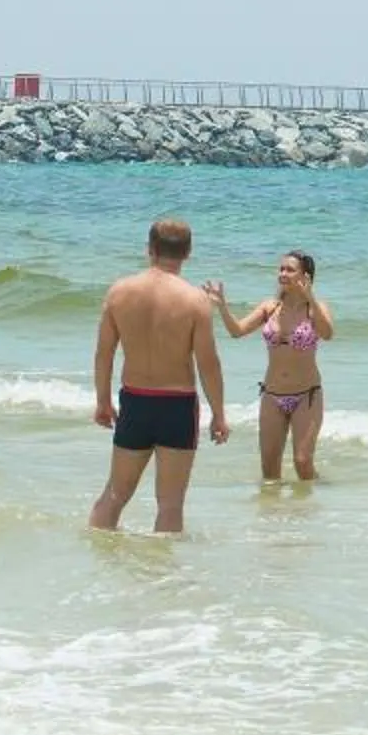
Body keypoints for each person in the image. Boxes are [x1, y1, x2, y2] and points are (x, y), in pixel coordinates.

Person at [89, 218, 230, 533]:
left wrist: (102, 401)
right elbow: (209, 363)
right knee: (170, 505)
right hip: (176, 406)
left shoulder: (119, 292)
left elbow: (104, 354)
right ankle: (162, 579)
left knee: (114, 494)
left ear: (149, 249)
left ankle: (96, 563)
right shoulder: (195, 301)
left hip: (135, 401)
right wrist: (219, 413)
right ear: (188, 252)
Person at [207, 251, 333, 483]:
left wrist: (311, 297)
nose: (283, 273)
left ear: (305, 276)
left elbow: (327, 334)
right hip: (272, 396)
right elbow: (237, 331)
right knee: (269, 471)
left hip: (307, 396)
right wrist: (222, 306)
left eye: (289, 269)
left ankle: (313, 509)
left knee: (303, 463)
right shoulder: (270, 307)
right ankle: (273, 516)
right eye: (281, 268)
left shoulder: (314, 309)